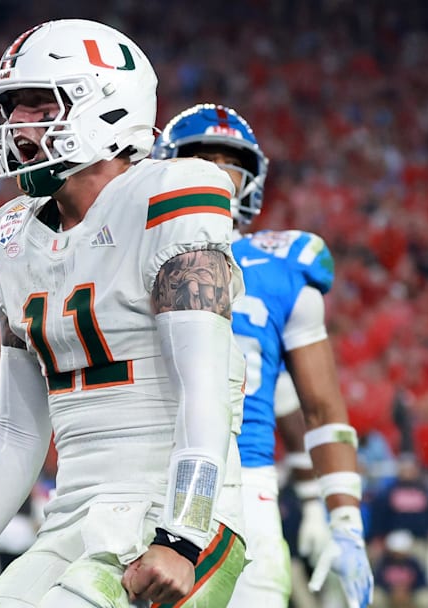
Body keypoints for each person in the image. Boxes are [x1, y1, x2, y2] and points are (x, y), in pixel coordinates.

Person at [0, 19, 248, 608]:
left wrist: (181, 538)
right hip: (71, 520)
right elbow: (18, 424)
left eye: (40, 106)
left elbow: (205, 389)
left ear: (108, 106)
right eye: (12, 109)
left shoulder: (170, 193)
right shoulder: (13, 234)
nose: (17, 127)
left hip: (171, 513)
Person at [153, 103, 373, 608]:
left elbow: (321, 408)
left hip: (246, 477)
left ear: (249, 179)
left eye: (229, 162)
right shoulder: (125, 252)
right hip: (149, 468)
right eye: (198, 158)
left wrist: (342, 520)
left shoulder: (281, 267)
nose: (214, 172)